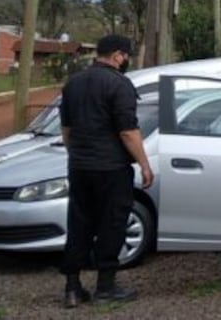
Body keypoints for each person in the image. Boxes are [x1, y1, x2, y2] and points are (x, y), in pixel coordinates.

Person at [59, 34, 154, 308]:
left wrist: (75, 155)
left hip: (79, 166)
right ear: (117, 55)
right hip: (111, 168)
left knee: (79, 224)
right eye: (126, 57)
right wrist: (145, 165)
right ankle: (105, 287)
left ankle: (72, 288)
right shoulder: (120, 85)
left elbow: (66, 130)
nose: (126, 61)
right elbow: (127, 131)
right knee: (112, 224)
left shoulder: (73, 83)